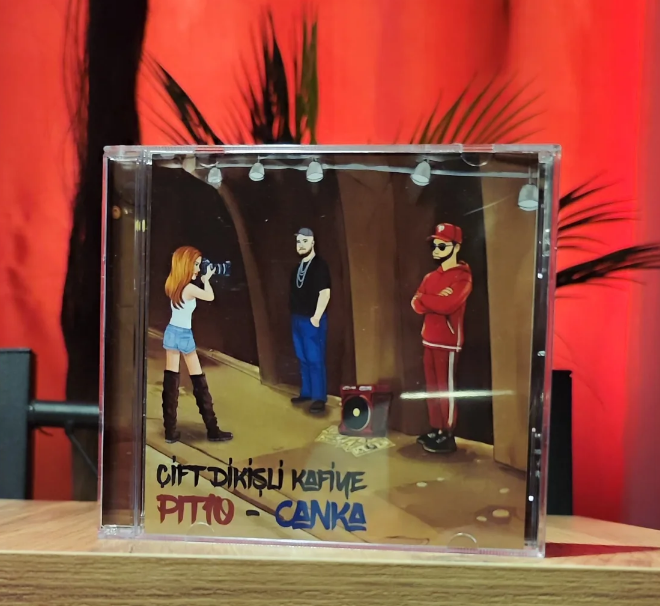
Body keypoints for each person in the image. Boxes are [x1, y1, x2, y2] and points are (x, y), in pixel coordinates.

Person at [161, 245, 233, 444]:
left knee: (171, 381)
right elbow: (210, 296)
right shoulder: (190, 288)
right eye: (196, 264)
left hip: (171, 332)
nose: (198, 269)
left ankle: (170, 431)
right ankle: (212, 429)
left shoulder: (173, 284)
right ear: (185, 264)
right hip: (184, 335)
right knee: (198, 380)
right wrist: (207, 280)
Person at [411, 223, 472, 454]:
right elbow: (415, 304)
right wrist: (434, 298)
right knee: (432, 388)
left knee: (445, 389)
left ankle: (447, 434)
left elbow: (448, 304)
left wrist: (427, 299)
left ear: (456, 247)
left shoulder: (462, 277)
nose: (436, 250)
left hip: (447, 342)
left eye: (442, 246)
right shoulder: (430, 277)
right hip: (429, 339)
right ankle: (436, 429)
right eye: (434, 246)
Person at [289, 228, 331, 414]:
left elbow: (325, 292)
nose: (301, 245)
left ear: (313, 243)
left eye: (305, 241)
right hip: (297, 318)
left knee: (315, 359)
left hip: (312, 319)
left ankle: (319, 397)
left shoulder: (320, 266)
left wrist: (316, 316)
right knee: (302, 357)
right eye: (298, 242)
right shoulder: (297, 268)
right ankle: (306, 392)